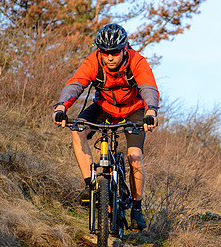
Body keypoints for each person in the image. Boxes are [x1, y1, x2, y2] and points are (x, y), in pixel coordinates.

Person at [52, 24, 159, 231]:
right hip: (104, 108)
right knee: (77, 130)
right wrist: (61, 107)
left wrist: (151, 112)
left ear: (124, 48)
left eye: (115, 52)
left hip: (133, 111)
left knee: (134, 155)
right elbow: (76, 84)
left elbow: (148, 87)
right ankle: (90, 185)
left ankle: (136, 208)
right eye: (105, 52)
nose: (110, 57)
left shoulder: (137, 61)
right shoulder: (94, 61)